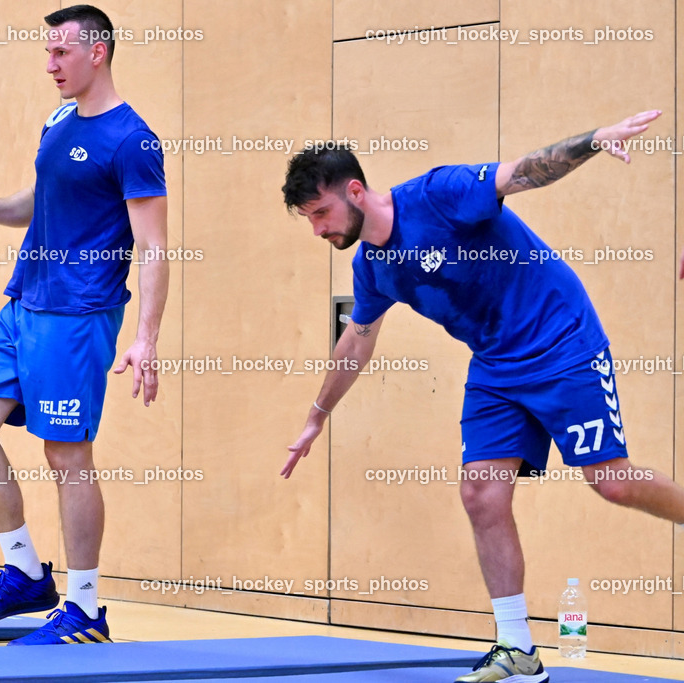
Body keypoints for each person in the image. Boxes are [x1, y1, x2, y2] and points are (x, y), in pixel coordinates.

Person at [281, 110, 684, 683]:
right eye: (309, 219)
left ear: (354, 191)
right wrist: (316, 417)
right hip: (496, 364)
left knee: (612, 481)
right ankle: (516, 647)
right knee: (481, 494)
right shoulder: (373, 267)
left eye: (320, 212)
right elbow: (357, 341)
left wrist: (593, 139)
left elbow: (526, 172)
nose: (318, 229)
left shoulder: (440, 195)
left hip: (561, 341)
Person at [0, 5, 168, 646]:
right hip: (23, 302)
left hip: (78, 315)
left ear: (97, 52)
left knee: (66, 454)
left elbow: (153, 246)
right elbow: (44, 200)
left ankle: (86, 610)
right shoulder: (58, 120)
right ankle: (24, 572)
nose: (50, 65)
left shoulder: (134, 141)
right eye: (46, 53)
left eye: (60, 53)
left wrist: (145, 337)